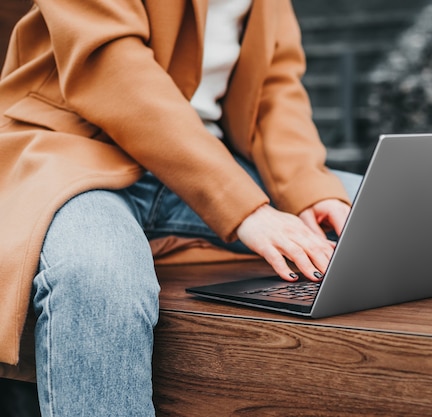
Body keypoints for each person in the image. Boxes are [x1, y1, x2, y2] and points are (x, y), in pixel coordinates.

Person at [0, 0, 362, 415]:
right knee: (99, 273)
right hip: (72, 152)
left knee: (377, 218)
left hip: (205, 165)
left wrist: (312, 190)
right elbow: (109, 68)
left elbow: (273, 88)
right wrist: (244, 209)